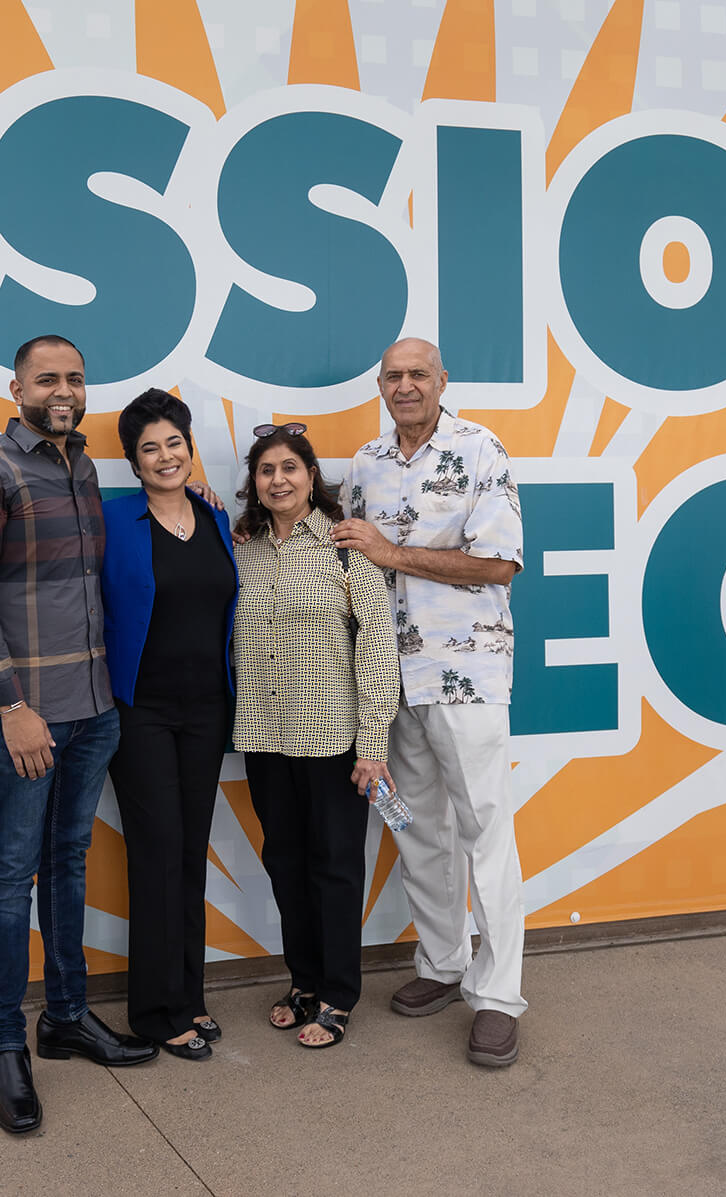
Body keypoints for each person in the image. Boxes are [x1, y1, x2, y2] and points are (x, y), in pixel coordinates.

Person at [0, 335, 157, 1137]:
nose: (63, 390)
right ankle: (7, 1047)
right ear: (17, 388)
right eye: (47, 379)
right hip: (25, 715)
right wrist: (11, 706)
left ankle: (65, 1016)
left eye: (75, 378)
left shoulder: (83, 467)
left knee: (67, 861)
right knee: (11, 873)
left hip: (94, 708)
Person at [332, 337, 528, 1068]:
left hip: (464, 674)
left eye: (419, 373)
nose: (406, 385)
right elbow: (346, 559)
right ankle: (444, 964)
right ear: (380, 386)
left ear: (443, 380)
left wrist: (393, 554)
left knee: (484, 831)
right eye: (394, 376)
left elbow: (499, 565)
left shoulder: (480, 448)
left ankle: (499, 996)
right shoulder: (366, 463)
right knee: (414, 827)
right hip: (389, 680)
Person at [230, 423, 400, 1049]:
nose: (278, 480)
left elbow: (378, 648)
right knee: (285, 862)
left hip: (333, 739)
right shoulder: (241, 550)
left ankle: (338, 994)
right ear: (254, 481)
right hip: (263, 734)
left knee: (335, 868)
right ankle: (302, 980)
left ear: (310, 477)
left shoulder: (347, 547)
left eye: (290, 468)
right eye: (266, 470)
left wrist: (373, 745)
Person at [100, 388, 239, 1062]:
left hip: (208, 709)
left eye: (174, 443)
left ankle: (189, 994)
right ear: (133, 462)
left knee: (189, 851)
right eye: (149, 448)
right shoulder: (111, 519)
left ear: (190, 448)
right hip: (142, 712)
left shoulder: (215, 517)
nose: (164, 456)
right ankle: (157, 1012)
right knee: (156, 852)